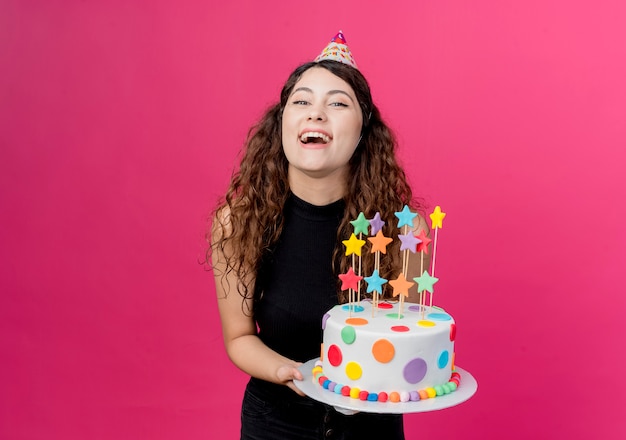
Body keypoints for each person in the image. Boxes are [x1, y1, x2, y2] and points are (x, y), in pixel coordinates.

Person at [209, 31, 429, 440]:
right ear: (283, 123)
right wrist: (289, 373)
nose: (316, 113)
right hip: (275, 421)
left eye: (338, 103)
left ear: (364, 131)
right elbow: (239, 337)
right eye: (303, 101)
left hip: (373, 425)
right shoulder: (237, 223)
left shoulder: (404, 231)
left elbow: (406, 341)